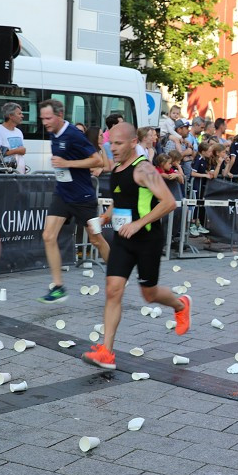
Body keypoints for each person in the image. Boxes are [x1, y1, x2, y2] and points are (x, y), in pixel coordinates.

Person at [83, 123, 192, 370]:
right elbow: (122, 200)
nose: (113, 148)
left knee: (149, 294)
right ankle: (106, 352)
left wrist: (138, 224)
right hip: (123, 239)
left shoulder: (144, 169)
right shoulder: (118, 168)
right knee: (113, 290)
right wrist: (104, 218)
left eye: (119, 144)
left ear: (133, 142)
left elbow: (168, 203)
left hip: (147, 239)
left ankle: (181, 304)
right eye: (111, 143)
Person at [38, 99, 106, 303]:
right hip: (62, 193)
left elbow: (97, 160)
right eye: (42, 119)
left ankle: (117, 274)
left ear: (60, 115)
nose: (45, 122)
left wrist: (67, 163)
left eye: (48, 118)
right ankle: (58, 287)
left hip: (82, 197)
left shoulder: (74, 135)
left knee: (95, 239)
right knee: (48, 236)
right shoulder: (53, 133)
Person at [0, 102, 27, 172]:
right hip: (6, 171)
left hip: (19, 171)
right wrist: (17, 151)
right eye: (19, 114)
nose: (22, 116)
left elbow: (22, 151)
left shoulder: (19, 132)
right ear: (10, 116)